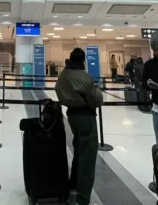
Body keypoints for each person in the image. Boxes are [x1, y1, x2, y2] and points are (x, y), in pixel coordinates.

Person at [55, 48, 103, 205]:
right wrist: (97, 89)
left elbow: (59, 90)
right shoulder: (84, 77)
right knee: (87, 157)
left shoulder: (63, 75)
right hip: (86, 118)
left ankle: (73, 185)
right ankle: (83, 198)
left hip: (72, 116)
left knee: (79, 151)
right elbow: (95, 100)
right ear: (83, 61)